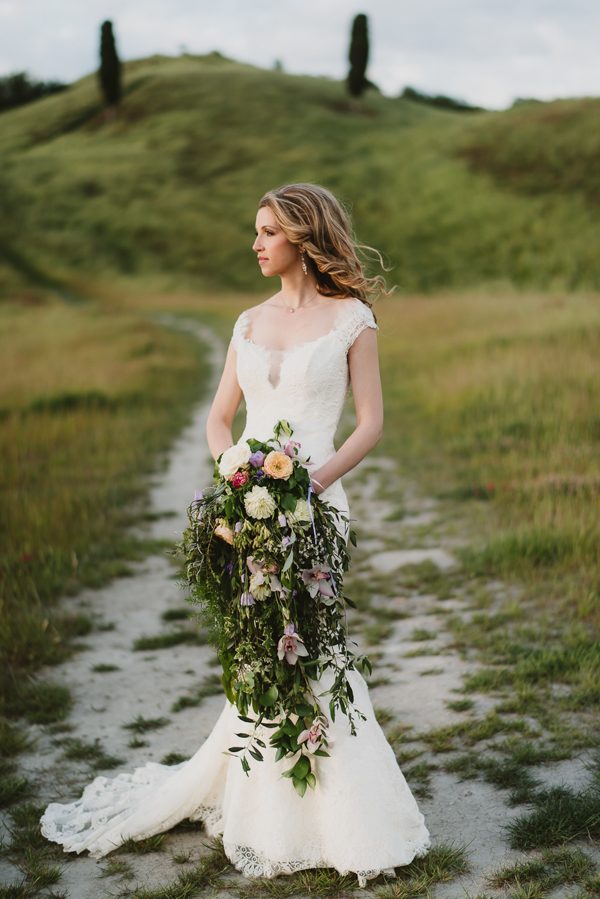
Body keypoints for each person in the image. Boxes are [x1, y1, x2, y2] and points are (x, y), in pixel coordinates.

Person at [40, 182, 431, 887]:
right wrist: (239, 479)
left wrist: (308, 484)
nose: (254, 243)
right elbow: (220, 419)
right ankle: (267, 806)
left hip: (316, 502)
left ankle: (339, 814)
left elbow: (370, 423)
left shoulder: (352, 320)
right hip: (246, 505)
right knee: (261, 644)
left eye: (266, 232)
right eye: (255, 231)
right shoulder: (247, 321)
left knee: (313, 643)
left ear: (303, 238)